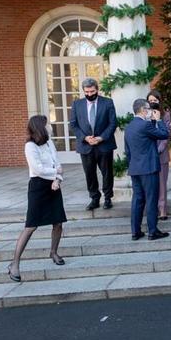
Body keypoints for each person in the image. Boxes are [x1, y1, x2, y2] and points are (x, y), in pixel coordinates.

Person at [8, 115, 68, 282]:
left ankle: (53, 252)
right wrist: (56, 173)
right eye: (47, 124)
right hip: (38, 187)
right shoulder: (30, 146)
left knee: (58, 222)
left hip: (53, 186)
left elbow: (59, 165)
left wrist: (58, 179)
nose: (50, 126)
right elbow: (38, 169)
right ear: (40, 127)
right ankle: (15, 263)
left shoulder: (49, 143)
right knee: (31, 226)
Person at [124, 99, 170, 241]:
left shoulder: (129, 126)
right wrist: (159, 120)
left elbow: (127, 151)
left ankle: (135, 231)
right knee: (151, 199)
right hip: (148, 168)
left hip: (135, 168)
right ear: (143, 110)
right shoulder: (144, 125)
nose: (150, 111)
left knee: (137, 200)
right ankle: (152, 231)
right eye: (148, 109)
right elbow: (164, 134)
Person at [69, 77, 117, 211]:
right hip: (86, 146)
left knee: (107, 173)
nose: (90, 94)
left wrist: (101, 138)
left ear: (97, 89)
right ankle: (94, 198)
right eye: (87, 92)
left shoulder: (107, 103)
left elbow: (113, 123)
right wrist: (85, 138)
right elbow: (73, 124)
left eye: (92, 91)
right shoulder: (77, 104)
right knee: (89, 174)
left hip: (104, 144)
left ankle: (108, 198)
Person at [147, 90, 171, 220]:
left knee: (161, 183)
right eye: (150, 101)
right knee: (151, 184)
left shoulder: (165, 115)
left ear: (159, 101)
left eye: (155, 101)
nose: (152, 103)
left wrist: (159, 150)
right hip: (149, 154)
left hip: (161, 154)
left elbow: (166, 135)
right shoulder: (146, 115)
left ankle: (162, 209)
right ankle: (153, 208)